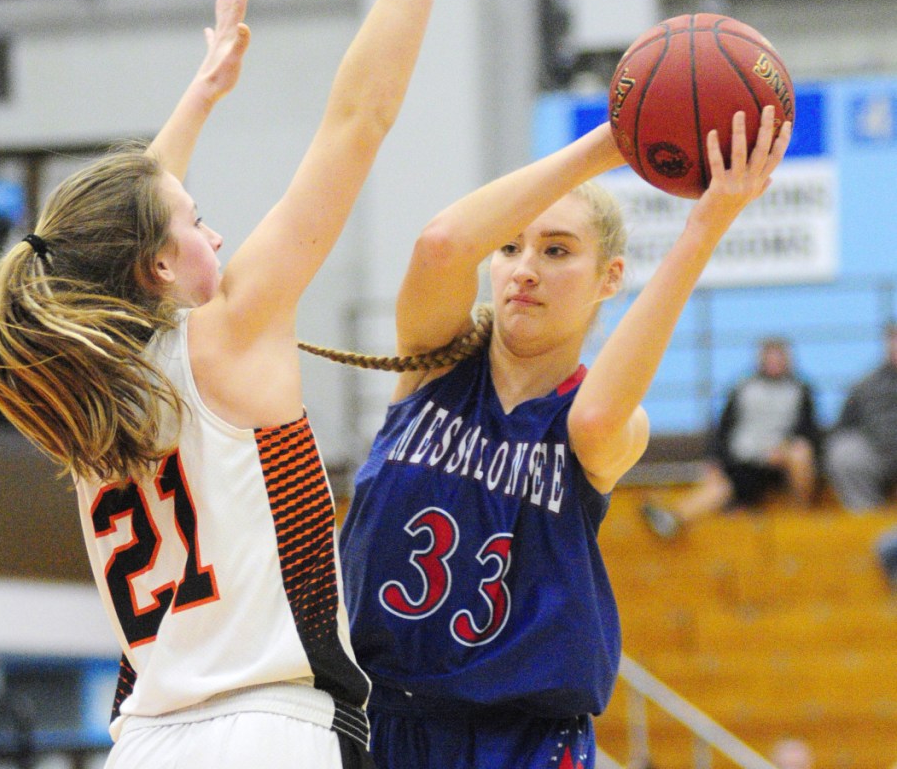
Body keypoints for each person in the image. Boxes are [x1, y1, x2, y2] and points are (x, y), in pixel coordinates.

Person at [0, 0, 506, 769]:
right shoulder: (229, 328)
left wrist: (200, 94)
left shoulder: (86, 392)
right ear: (155, 264)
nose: (213, 225)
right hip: (271, 730)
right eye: (195, 219)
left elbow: (111, 227)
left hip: (143, 740)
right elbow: (358, 118)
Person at [335, 106, 791, 769]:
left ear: (610, 277)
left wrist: (707, 224)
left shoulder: (603, 424)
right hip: (376, 721)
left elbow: (598, 420)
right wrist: (611, 142)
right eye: (511, 246)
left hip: (518, 742)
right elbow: (441, 246)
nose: (525, 268)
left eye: (557, 250)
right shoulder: (434, 362)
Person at [641, 336, 820, 540]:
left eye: (779, 358)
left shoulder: (801, 391)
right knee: (719, 488)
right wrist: (714, 462)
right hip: (743, 463)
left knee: (801, 452)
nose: (774, 363)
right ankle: (674, 516)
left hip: (778, 465)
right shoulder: (742, 388)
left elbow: (809, 432)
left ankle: (802, 516)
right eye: (769, 357)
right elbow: (722, 430)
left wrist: (784, 449)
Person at [824, 322, 897, 510]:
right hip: (880, 454)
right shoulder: (866, 385)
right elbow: (843, 426)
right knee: (844, 450)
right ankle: (866, 518)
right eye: (893, 340)